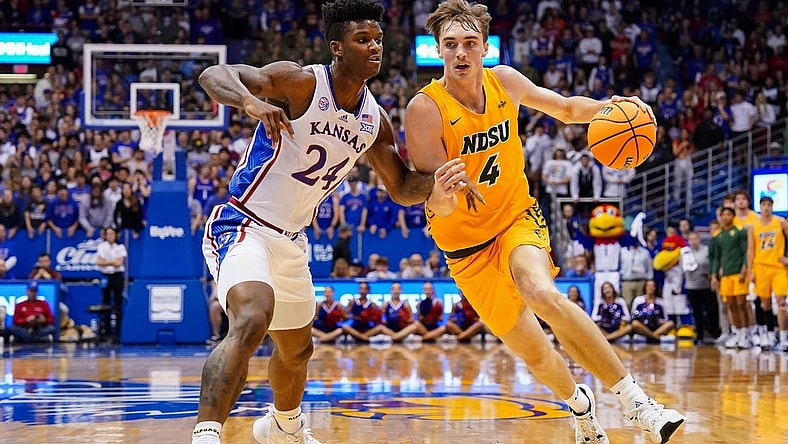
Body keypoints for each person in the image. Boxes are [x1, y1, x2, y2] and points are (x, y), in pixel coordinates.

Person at [193, 2, 482, 443]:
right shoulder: (302, 82)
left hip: (292, 239)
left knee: (297, 349)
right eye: (362, 39)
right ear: (337, 48)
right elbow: (214, 76)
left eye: (378, 39)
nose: (374, 46)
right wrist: (250, 101)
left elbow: (401, 187)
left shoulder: (373, 120)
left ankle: (284, 428)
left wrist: (440, 181)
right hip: (243, 223)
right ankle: (207, 433)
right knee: (252, 317)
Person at [404, 2, 685, 443]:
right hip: (464, 248)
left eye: (470, 44)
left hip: (516, 217)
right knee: (535, 354)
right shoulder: (425, 109)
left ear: (484, 47)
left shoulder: (506, 82)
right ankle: (580, 404)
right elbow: (434, 200)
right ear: (439, 50)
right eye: (451, 45)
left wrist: (610, 108)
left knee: (540, 291)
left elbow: (568, 109)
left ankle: (637, 402)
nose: (461, 53)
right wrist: (446, 191)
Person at [746, 196, 788, 351]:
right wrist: (750, 271)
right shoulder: (753, 226)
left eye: (769, 205)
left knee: (781, 303)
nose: (766, 207)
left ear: (772, 206)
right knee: (765, 304)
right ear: (760, 207)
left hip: (778, 267)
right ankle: (770, 335)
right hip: (760, 267)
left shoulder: (781, 222)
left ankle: (784, 338)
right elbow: (750, 250)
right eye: (764, 205)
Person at [710, 207, 750, 349]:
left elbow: (746, 252)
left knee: (741, 304)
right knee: (731, 305)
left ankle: (745, 333)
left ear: (733, 216)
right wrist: (714, 276)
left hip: (738, 272)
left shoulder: (740, 231)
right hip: (726, 275)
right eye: (723, 215)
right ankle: (736, 333)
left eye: (728, 214)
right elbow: (715, 257)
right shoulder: (717, 235)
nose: (726, 217)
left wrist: (744, 270)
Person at [96, 227, 127, 343]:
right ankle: (106, 332)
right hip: (105, 276)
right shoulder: (101, 246)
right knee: (105, 303)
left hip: (117, 276)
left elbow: (119, 263)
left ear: (116, 235)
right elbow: (99, 262)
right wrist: (111, 262)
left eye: (111, 234)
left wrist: (106, 262)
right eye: (107, 234)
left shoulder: (120, 247)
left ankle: (118, 333)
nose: (109, 236)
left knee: (118, 303)